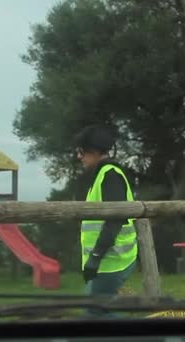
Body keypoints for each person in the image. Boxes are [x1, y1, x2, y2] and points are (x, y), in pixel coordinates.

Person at [74, 124, 138, 318]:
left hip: (112, 260)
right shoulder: (103, 174)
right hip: (107, 260)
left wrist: (95, 257)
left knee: (94, 313)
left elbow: (116, 219)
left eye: (81, 152)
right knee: (96, 310)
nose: (79, 157)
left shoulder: (110, 175)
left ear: (93, 151)